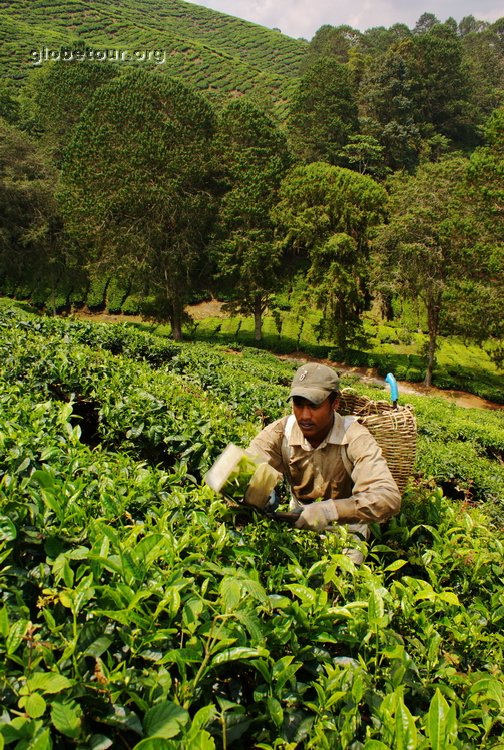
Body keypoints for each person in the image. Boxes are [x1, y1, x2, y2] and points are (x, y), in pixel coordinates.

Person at [247, 362, 401, 563]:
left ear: (335, 403)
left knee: (342, 586)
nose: (304, 415)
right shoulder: (280, 432)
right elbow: (246, 465)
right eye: (298, 404)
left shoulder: (355, 437)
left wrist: (329, 511)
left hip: (346, 531)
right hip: (299, 519)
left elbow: (387, 496)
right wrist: (258, 489)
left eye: (314, 405)